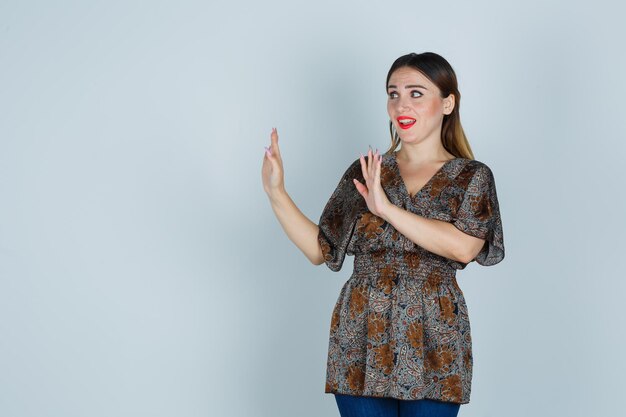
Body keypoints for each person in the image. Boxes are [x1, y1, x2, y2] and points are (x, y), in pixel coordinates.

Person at [261, 52, 505, 417]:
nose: (401, 104)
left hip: (434, 337)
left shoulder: (472, 177)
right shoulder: (367, 171)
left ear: (448, 102)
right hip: (361, 334)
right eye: (393, 93)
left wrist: (387, 209)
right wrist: (276, 192)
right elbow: (320, 249)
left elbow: (463, 247)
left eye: (416, 93)